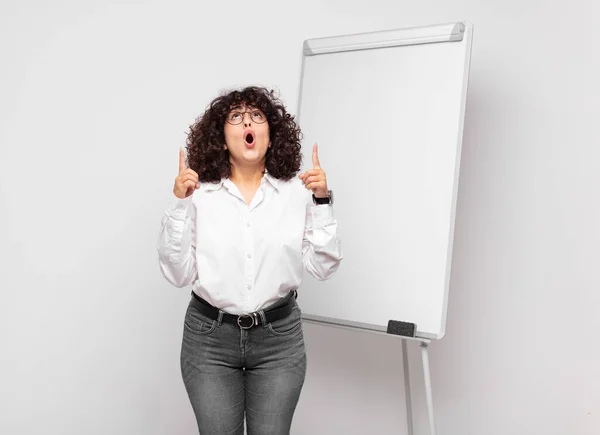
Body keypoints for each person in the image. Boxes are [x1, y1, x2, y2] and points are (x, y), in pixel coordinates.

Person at [156, 86, 342, 434]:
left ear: (271, 136)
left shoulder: (297, 193)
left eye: (257, 116)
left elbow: (324, 266)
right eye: (236, 117)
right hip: (209, 340)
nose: (248, 123)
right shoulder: (199, 195)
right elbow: (178, 274)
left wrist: (321, 201)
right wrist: (180, 203)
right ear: (222, 138)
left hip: (278, 339)